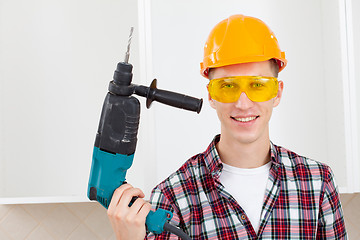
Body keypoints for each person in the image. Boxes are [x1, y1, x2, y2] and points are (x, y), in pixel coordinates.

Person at [107, 14, 347, 239]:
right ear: (211, 95)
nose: (243, 104)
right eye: (228, 86)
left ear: (277, 93)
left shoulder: (317, 182)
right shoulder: (174, 196)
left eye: (258, 85)